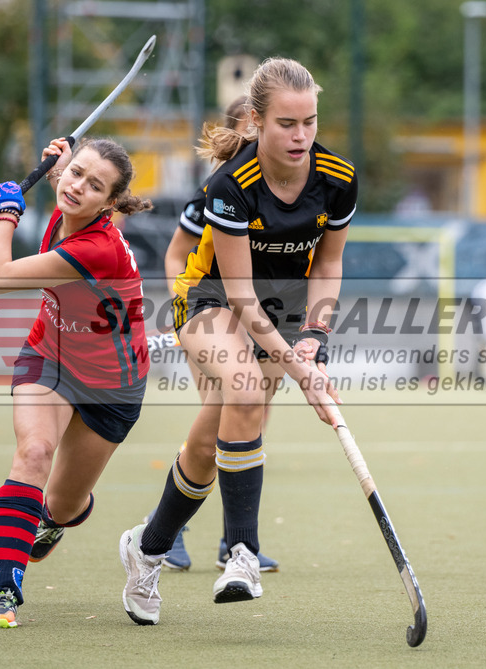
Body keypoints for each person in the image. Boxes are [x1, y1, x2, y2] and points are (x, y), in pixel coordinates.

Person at [119, 56, 355, 626]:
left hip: (287, 307)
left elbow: (329, 266)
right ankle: (242, 553)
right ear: (256, 121)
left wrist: (314, 340)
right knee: (245, 391)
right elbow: (241, 298)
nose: (301, 137)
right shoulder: (232, 186)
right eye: (286, 124)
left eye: (310, 122)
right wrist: (299, 371)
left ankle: (147, 546)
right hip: (210, 299)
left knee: (212, 438)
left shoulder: (337, 179)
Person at [0, 137, 153, 629]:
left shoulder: (96, 248)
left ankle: (58, 519)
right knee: (33, 453)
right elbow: (69, 179)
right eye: (74, 173)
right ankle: (3, 589)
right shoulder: (69, 199)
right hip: (49, 354)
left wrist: (7, 215)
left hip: (112, 387)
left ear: (110, 205)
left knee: (62, 504)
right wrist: (62, 155)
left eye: (94, 185)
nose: (75, 187)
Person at [152, 95, 279, 574]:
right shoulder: (211, 194)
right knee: (214, 424)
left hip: (259, 318)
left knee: (252, 418)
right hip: (209, 315)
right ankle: (167, 531)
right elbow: (174, 255)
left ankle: (234, 541)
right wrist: (180, 303)